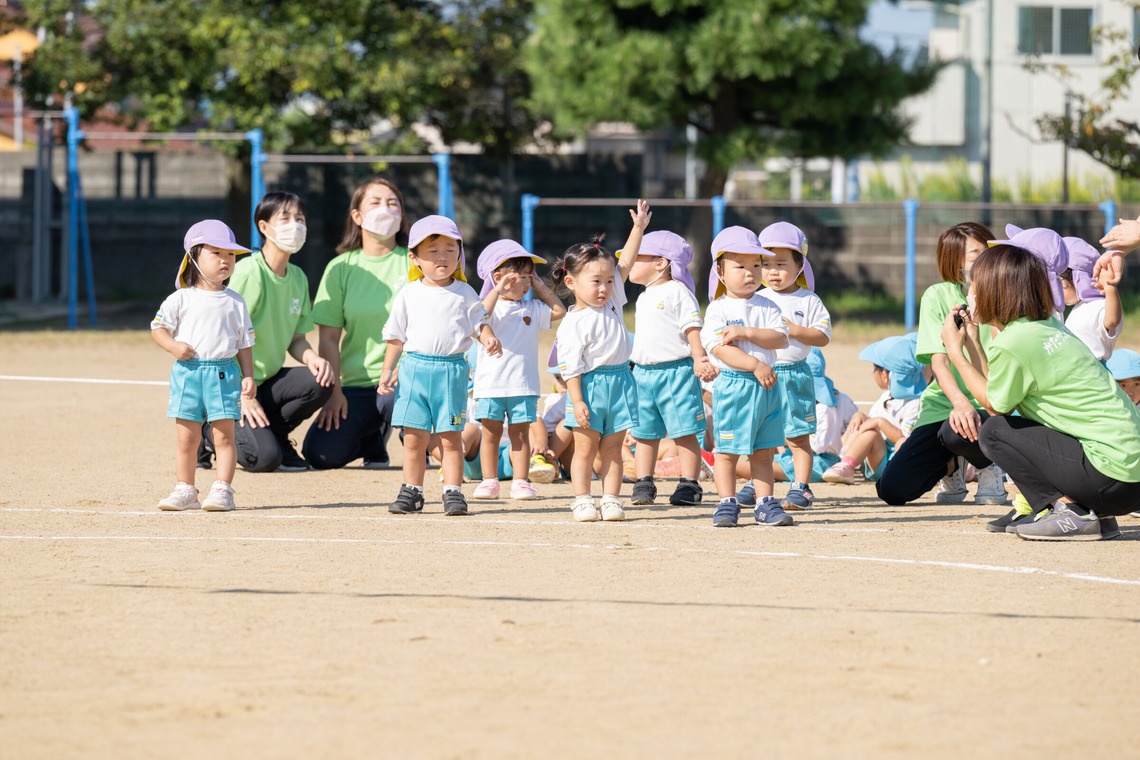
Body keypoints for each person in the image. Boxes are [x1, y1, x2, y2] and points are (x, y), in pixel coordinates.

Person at [944, 243, 1140, 540]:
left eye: (974, 286)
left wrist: (955, 353)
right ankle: (1095, 515)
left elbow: (998, 408)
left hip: (1110, 477)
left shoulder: (1015, 342)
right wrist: (973, 342)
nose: (969, 294)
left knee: (993, 431)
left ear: (995, 292)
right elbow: (999, 387)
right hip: (1126, 476)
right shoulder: (1046, 325)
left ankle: (1070, 512)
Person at [876, 222, 1008, 507]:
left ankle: (989, 468)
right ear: (955, 261)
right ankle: (952, 468)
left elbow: (995, 375)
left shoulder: (1005, 293)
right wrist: (960, 402)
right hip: (944, 405)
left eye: (989, 248)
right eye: (975, 253)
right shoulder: (937, 296)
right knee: (892, 489)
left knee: (958, 429)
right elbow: (939, 362)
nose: (986, 256)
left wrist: (972, 339)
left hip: (993, 404)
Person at [203, 192, 334, 474]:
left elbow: (297, 339)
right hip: (232, 385)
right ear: (264, 227)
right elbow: (222, 338)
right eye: (284, 218)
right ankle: (208, 429)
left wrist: (312, 358)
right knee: (264, 459)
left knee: (321, 379)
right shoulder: (250, 272)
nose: (295, 225)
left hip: (268, 382)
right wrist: (241, 394)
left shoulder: (298, 277)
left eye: (300, 218)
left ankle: (276, 435)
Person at [380, 215, 501, 516]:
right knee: (414, 438)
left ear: (460, 254)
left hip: (451, 371)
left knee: (451, 437)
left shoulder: (466, 293)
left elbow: (479, 325)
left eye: (450, 249)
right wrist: (386, 370)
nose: (442, 257)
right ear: (415, 258)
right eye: (432, 251)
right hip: (415, 370)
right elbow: (395, 337)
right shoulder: (408, 294)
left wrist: (488, 338)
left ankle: (453, 491)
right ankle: (413, 491)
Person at [150, 220, 268, 512]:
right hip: (188, 373)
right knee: (186, 437)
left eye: (230, 256)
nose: (225, 261)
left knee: (224, 436)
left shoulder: (236, 302)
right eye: (216, 253)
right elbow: (158, 328)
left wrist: (249, 375)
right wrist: (173, 346)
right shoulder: (180, 298)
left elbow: (244, 343)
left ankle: (223, 490)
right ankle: (186, 489)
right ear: (194, 256)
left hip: (223, 373)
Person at [554, 201, 651, 522]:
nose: (605, 287)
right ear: (571, 282)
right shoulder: (573, 322)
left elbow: (627, 262)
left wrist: (638, 229)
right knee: (584, 449)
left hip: (621, 381)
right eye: (596, 281)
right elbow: (570, 367)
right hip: (589, 386)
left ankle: (611, 499)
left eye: (609, 281)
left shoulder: (613, 299)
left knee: (612, 449)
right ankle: (582, 499)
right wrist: (577, 400)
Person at [303, 177, 409, 470]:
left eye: (392, 203)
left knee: (394, 403)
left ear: (401, 217)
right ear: (357, 216)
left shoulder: (415, 264)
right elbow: (328, 339)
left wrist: (407, 367)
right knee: (321, 456)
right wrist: (334, 393)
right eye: (375, 203)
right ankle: (372, 438)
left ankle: (417, 440)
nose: (385, 209)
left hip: (405, 379)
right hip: (357, 386)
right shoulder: (340, 268)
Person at [735, 221, 831, 511]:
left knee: (797, 436)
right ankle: (758, 482)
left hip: (794, 376)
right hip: (762, 375)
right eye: (765, 264)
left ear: (800, 265)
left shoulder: (809, 300)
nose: (772, 271)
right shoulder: (755, 299)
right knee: (761, 435)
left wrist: (793, 330)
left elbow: (823, 336)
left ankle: (800, 488)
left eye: (781, 263)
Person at [701, 226, 792, 528]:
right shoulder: (718, 309)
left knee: (763, 452)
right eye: (741, 266)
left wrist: (747, 333)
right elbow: (721, 349)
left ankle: (765, 503)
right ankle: (727, 503)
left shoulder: (768, 305)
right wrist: (754, 364)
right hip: (734, 387)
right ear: (721, 271)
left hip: (767, 388)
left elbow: (780, 338)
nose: (751, 273)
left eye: (757, 265)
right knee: (727, 452)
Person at [619, 229, 717, 508]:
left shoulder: (677, 291)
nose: (630, 264)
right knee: (644, 433)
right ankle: (644, 481)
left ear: (661, 263)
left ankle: (689, 483)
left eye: (638, 257)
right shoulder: (643, 296)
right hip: (643, 374)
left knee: (685, 431)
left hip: (675, 372)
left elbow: (692, 327)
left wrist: (699, 358)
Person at [471, 239, 567, 500]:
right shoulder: (487, 308)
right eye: (520, 277)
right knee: (489, 434)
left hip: (523, 386)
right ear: (498, 277)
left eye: (529, 276)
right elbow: (477, 318)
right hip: (490, 386)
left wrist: (539, 285)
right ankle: (489, 481)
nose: (526, 282)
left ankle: (520, 482)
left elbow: (560, 310)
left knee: (520, 436)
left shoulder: (532, 308)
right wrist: (496, 288)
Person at [824, 335, 925, 485]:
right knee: (863, 424)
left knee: (871, 433)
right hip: (883, 457)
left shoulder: (916, 403)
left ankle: (847, 466)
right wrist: (861, 416)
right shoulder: (887, 396)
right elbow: (872, 421)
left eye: (875, 368)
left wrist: (880, 423)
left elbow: (905, 440)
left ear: (885, 374)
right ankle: (844, 457)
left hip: (895, 463)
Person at [1060, 236, 1122, 361]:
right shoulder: (1079, 307)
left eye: (1062, 286)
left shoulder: (1099, 305)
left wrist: (1110, 288)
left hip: (1094, 372)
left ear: (1079, 280)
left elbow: (1112, 321)